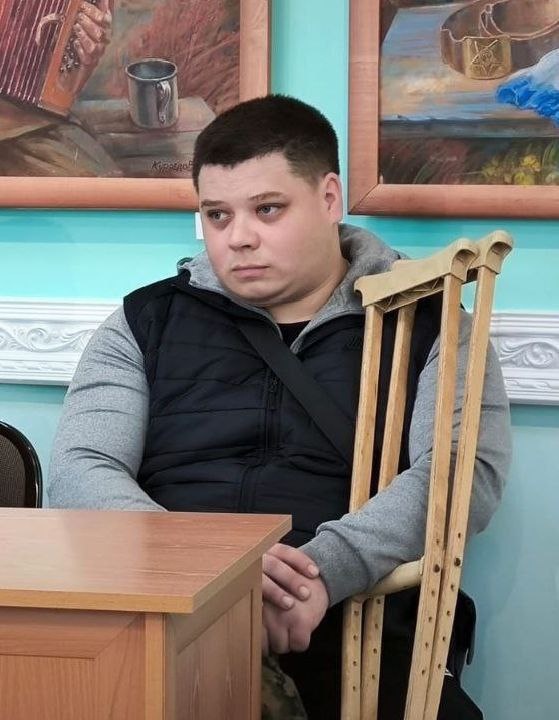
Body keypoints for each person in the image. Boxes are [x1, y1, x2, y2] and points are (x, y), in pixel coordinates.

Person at [48, 94, 512, 719]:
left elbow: (462, 475)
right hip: (167, 619)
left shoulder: (430, 321)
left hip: (355, 622)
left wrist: (320, 573)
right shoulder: (143, 320)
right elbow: (81, 468)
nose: (238, 238)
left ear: (328, 198)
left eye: (267, 209)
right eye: (217, 215)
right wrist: (210, 570)